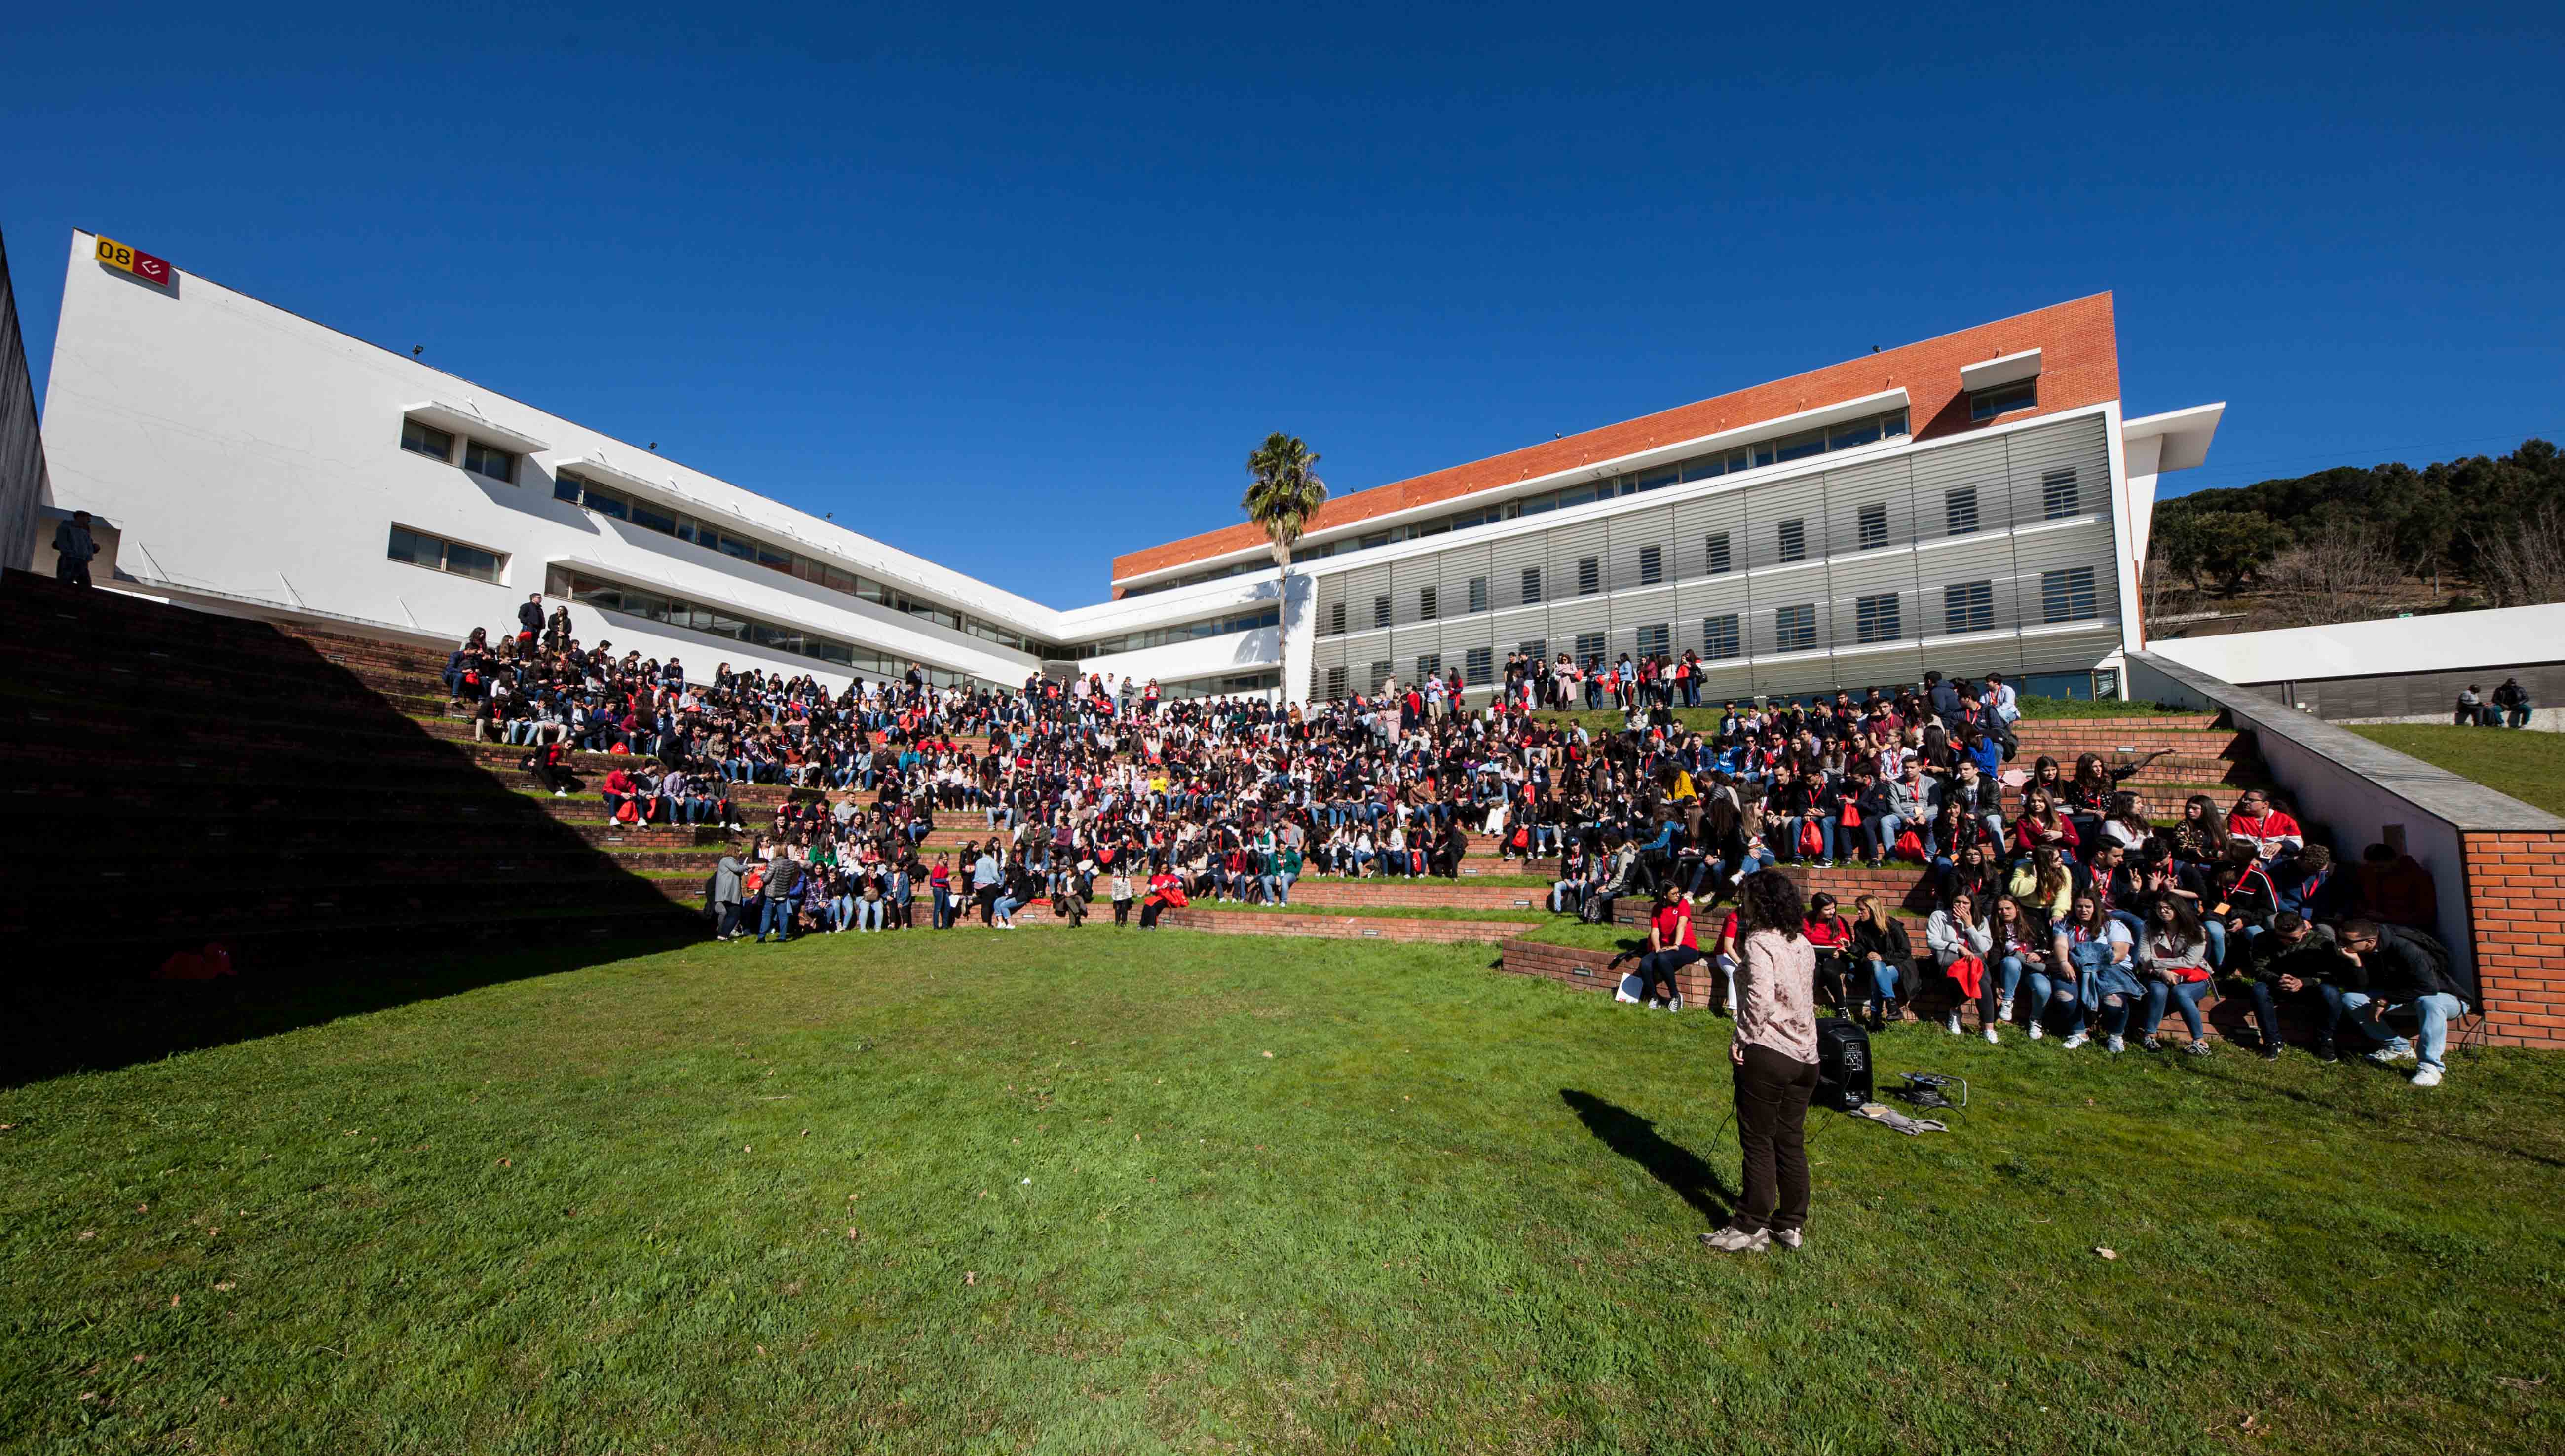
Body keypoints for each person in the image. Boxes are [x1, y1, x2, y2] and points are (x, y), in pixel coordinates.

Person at [1701, 870, 1819, 1255]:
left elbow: (1761, 1000)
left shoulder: (1758, 943)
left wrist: (1742, 1037)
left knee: (1758, 1140)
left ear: (1761, 902)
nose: (1741, 905)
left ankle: (1750, 1226)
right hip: (1807, 1057)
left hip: (1770, 1053)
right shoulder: (1802, 941)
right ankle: (1791, 1223)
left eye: (1746, 898)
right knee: (1790, 1139)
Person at [2333, 919, 2466, 1087]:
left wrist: (2385, 1000)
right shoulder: (2361, 952)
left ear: (2370, 942)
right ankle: (2397, 1047)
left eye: (2347, 942)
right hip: (2405, 999)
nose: (2341, 945)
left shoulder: (2405, 948)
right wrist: (2356, 964)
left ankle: (2430, 1067)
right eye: (2340, 939)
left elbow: (2428, 988)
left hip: (2445, 998)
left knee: (2429, 1002)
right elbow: (2360, 989)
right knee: (2351, 999)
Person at [2136, 896, 2216, 1054]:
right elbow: (2143, 956)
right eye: (2160, 908)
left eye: (2168, 909)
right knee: (2159, 990)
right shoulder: (2149, 927)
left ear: (2178, 910)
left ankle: (2200, 1042)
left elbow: (2189, 962)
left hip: (2193, 976)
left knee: (2181, 993)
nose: (2163, 912)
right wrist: (2163, 972)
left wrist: (2157, 964)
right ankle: (2149, 1036)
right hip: (2158, 975)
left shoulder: (2196, 930)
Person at [1925, 891, 1995, 1038]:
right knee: (1973, 979)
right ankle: (1957, 1013)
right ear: (1952, 902)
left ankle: (1987, 1028)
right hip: (1949, 962)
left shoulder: (1981, 920)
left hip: (1973, 963)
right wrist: (1958, 947)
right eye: (1958, 902)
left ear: (1972, 905)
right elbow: (1933, 941)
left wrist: (1970, 926)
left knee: (1982, 981)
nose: (1961, 906)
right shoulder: (1939, 916)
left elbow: (1983, 948)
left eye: (1966, 903)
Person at [1848, 895, 1911, 1030]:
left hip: (1899, 966)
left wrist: (1882, 957)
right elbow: (1861, 950)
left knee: (1878, 971)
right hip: (1875, 966)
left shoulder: (1892, 926)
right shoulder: (1860, 926)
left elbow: (1905, 952)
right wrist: (1850, 947)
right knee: (1878, 970)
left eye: (1862, 910)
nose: (1859, 913)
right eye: (1858, 909)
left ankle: (1875, 1018)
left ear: (1872, 910)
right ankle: (1891, 1006)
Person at [1637, 889, 1703, 1011]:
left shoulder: (1683, 904)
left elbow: (1681, 925)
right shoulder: (1657, 908)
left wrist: (1676, 945)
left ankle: (1675, 996)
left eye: (1678, 892)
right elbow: (1655, 931)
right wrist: (1657, 948)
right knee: (1645, 963)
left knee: (1663, 958)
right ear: (1664, 896)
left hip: (1687, 947)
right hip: (1666, 948)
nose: (1678, 895)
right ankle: (1654, 997)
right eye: (1674, 894)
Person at [754, 850, 804, 943]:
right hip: (783, 891)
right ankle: (783, 937)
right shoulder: (790, 864)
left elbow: (766, 879)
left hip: (772, 892)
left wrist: (762, 875)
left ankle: (762, 937)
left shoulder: (773, 863)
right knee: (783, 915)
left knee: (767, 914)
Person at [51, 510, 99, 585]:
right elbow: (62, 541)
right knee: (65, 581)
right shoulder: (66, 526)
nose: (89, 521)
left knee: (86, 585)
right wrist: (69, 553)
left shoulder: (85, 531)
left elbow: (88, 545)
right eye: (87, 519)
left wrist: (89, 555)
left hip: (82, 561)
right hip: (70, 559)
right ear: (80, 517)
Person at [711, 851, 749, 940]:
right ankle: (723, 935)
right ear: (733, 850)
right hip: (728, 893)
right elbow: (736, 869)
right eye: (739, 850)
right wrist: (747, 866)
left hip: (731, 893)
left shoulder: (733, 861)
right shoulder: (727, 860)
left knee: (733, 913)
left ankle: (723, 934)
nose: (741, 852)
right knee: (735, 913)